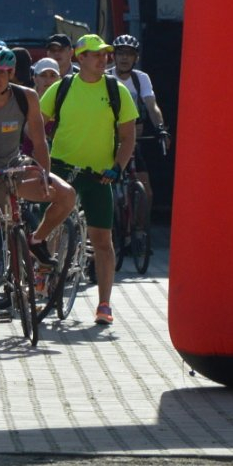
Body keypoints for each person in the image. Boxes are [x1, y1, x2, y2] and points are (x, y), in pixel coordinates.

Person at [0, 42, 77, 341]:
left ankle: (36, 239)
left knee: (66, 194)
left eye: (3, 72)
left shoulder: (26, 97)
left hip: (14, 167)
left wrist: (44, 174)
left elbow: (39, 139)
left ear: (11, 73)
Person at [41, 33, 140, 326]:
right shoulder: (62, 87)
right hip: (62, 170)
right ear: (80, 58)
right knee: (51, 227)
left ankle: (104, 304)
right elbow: (36, 124)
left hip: (100, 175)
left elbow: (128, 137)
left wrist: (118, 167)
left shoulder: (116, 90)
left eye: (104, 54)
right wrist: (37, 158)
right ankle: (44, 275)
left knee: (102, 241)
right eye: (96, 54)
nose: (103, 59)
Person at [109, 33, 168, 240]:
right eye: (120, 53)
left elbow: (152, 106)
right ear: (113, 56)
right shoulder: (106, 78)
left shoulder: (140, 78)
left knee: (147, 192)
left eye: (129, 54)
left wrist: (160, 128)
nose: (124, 58)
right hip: (108, 140)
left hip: (132, 140)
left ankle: (140, 230)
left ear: (136, 58)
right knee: (108, 192)